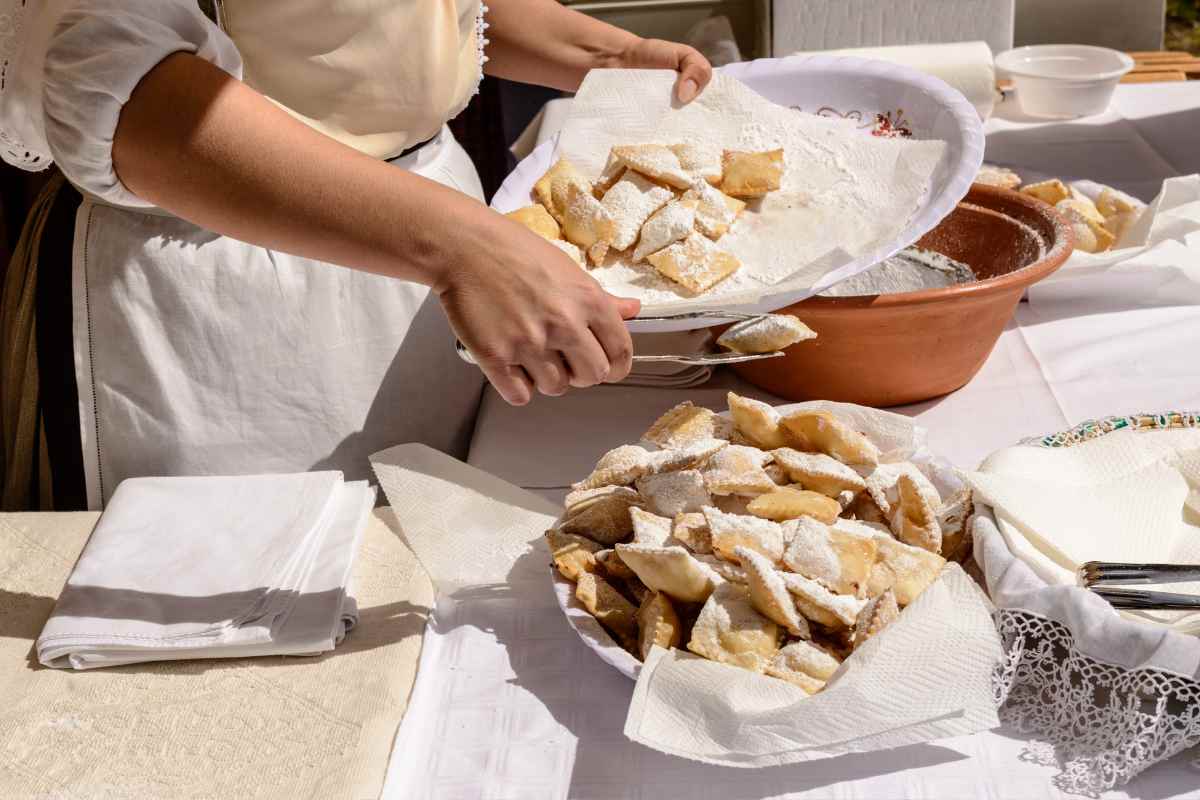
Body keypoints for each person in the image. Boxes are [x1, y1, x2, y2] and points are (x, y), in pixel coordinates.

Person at [0, 0, 712, 510]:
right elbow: (117, 84)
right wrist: (464, 247)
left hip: (429, 254)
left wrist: (610, 58)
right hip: (224, 303)